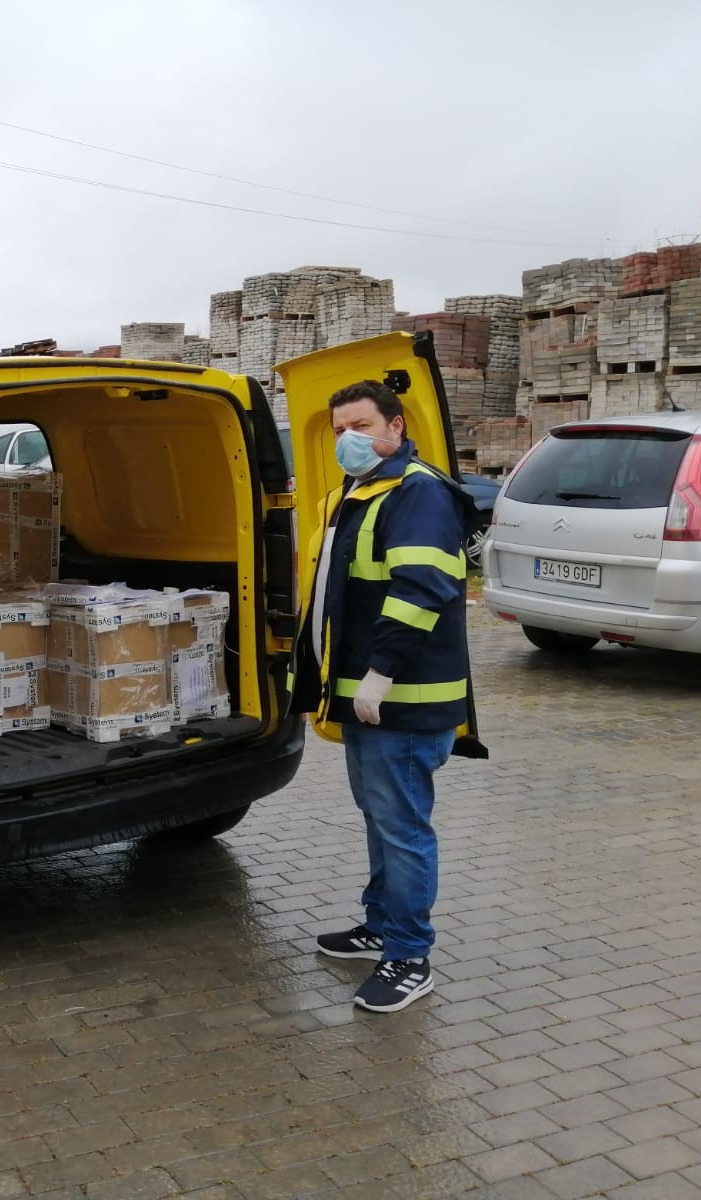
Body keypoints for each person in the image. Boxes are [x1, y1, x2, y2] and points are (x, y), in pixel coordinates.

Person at [289, 378, 483, 1013]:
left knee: (402, 828)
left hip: (403, 696)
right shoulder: (358, 492)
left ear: (396, 427)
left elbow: (421, 588)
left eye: (362, 426)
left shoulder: (417, 491)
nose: (349, 439)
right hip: (365, 697)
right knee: (379, 817)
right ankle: (381, 924)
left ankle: (409, 955)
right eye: (340, 429)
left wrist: (381, 673)